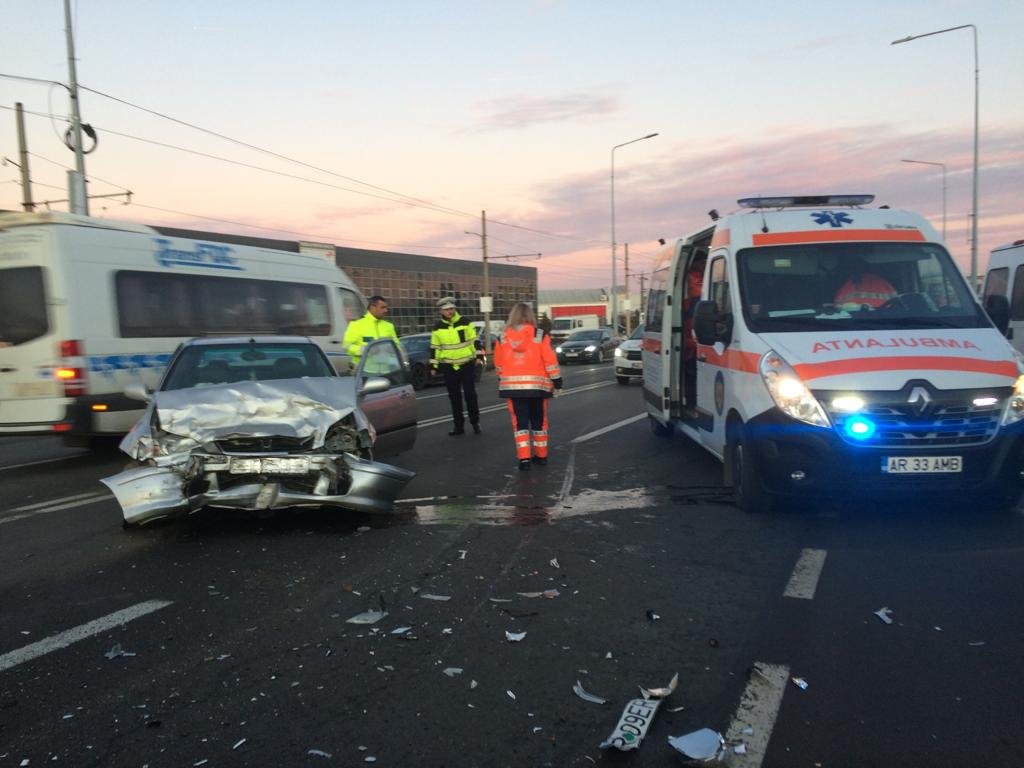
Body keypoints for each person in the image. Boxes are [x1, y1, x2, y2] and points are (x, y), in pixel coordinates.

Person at [494, 302, 562, 471]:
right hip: (538, 388)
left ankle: (524, 460)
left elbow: (499, 364)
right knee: (539, 422)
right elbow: (549, 360)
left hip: (513, 388)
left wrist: (504, 378)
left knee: (520, 424)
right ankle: (541, 456)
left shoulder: (503, 337)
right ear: (530, 316)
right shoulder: (540, 335)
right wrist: (557, 380)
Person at [431, 296, 481, 436]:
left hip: (466, 364)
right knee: (454, 398)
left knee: (470, 395)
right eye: (446, 310)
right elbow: (435, 348)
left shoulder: (465, 322)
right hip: (449, 367)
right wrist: (434, 367)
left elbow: (474, 340)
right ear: (441, 311)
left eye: (452, 309)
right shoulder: (437, 327)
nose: (450, 312)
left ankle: (475, 422)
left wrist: (478, 356)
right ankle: (458, 427)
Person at [343, 295, 398, 368]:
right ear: (373, 307)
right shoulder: (356, 325)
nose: (386, 310)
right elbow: (347, 347)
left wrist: (390, 349)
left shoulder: (389, 326)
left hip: (386, 372)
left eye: (386, 308)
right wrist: (366, 350)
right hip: (363, 372)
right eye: (382, 307)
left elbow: (397, 346)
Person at [833, 272, 897, 312]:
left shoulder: (849, 284)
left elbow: (837, 307)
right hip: (884, 321)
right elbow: (897, 305)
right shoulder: (884, 283)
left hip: (853, 322)